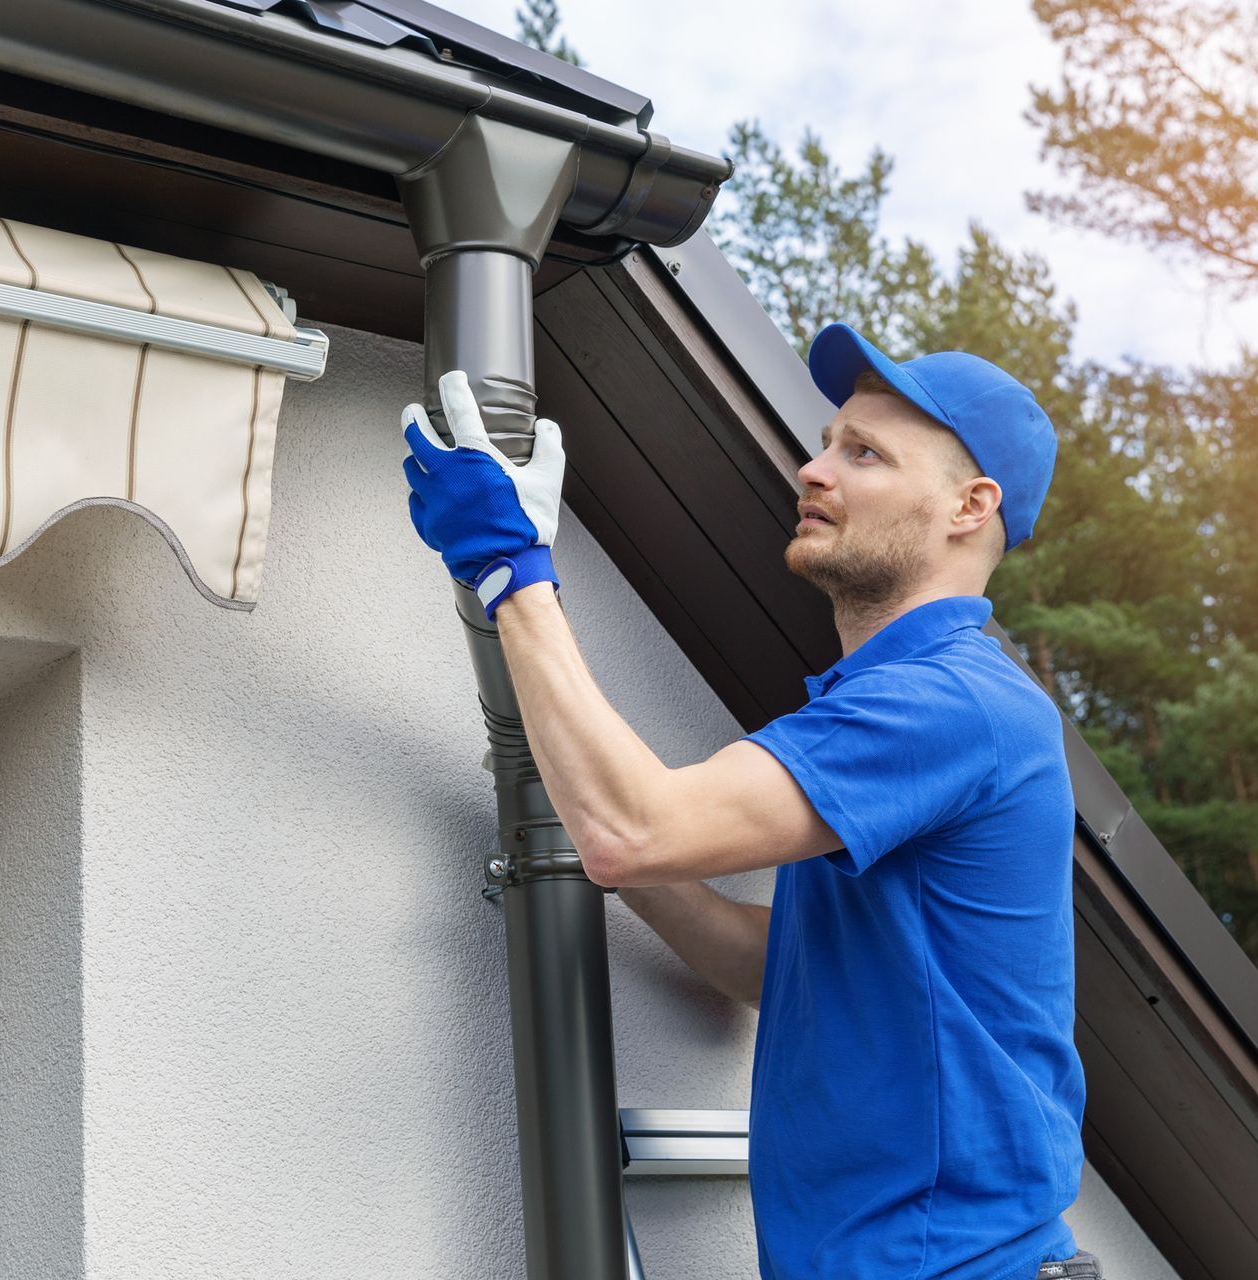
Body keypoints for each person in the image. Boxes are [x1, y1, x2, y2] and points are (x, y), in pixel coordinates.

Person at [399, 321, 1102, 1280]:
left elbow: (635, 830)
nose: (813, 471)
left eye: (864, 454)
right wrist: (585, 811)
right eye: (825, 443)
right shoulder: (888, 707)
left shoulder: (950, 703)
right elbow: (766, 967)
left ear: (969, 507)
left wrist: (509, 569)